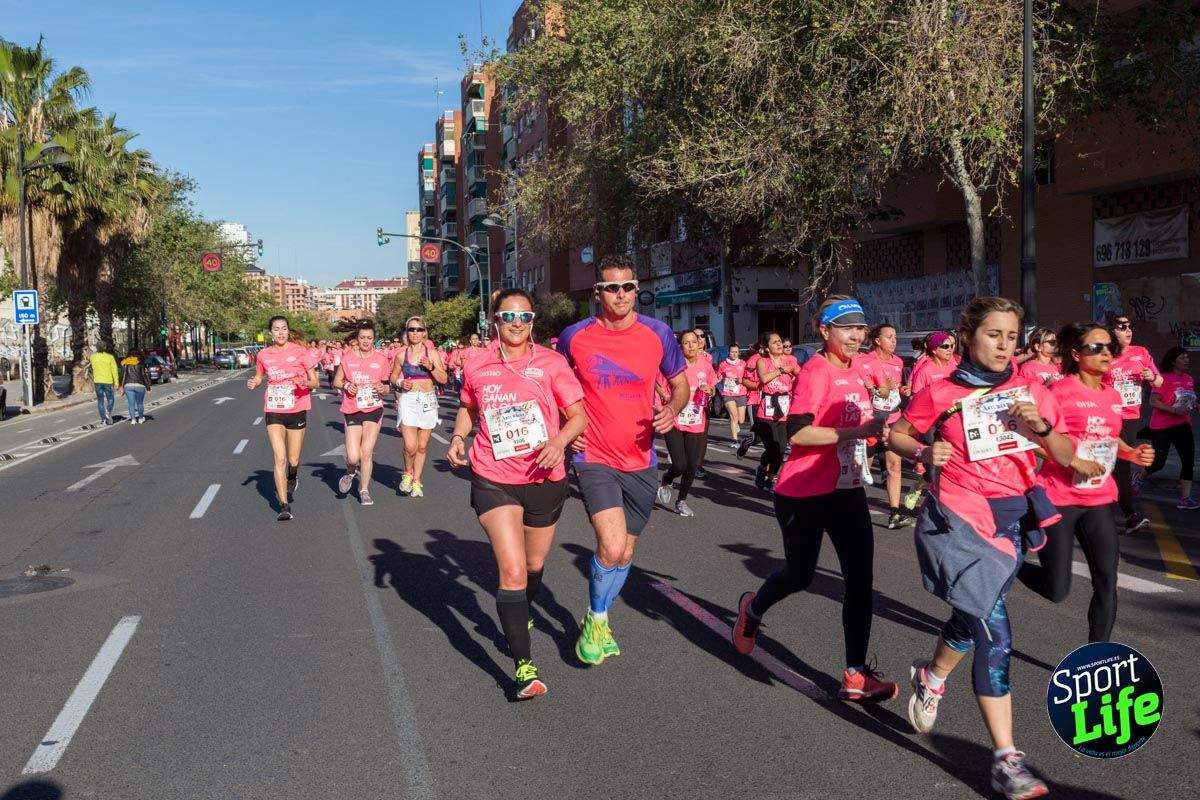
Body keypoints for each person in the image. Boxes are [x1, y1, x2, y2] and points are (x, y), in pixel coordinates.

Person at [887, 297, 1074, 800]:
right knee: (995, 634)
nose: (1004, 345)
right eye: (994, 335)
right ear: (968, 336)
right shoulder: (939, 390)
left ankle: (931, 675)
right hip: (959, 520)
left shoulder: (1031, 388)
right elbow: (897, 436)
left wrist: (1040, 425)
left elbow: (1065, 456)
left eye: (1012, 337)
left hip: (1010, 521)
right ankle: (1006, 760)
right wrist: (926, 450)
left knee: (971, 617)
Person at [730, 297, 897, 703]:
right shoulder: (815, 372)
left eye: (861, 328)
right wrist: (855, 434)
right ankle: (752, 611)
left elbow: (864, 420)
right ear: (825, 332)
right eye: (847, 328)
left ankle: (855, 674)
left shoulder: (861, 369)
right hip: (802, 492)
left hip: (847, 490)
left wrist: (879, 429)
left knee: (861, 580)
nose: (857, 336)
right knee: (800, 575)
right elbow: (800, 435)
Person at [448, 289, 587, 699]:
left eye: (524, 316)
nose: (516, 322)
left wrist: (559, 441)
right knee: (511, 570)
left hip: (545, 477)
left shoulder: (551, 362)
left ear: (533, 322)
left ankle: (518, 613)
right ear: (494, 319)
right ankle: (524, 668)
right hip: (494, 475)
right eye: (508, 315)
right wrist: (459, 436)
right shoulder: (477, 365)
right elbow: (468, 407)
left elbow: (578, 415)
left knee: (533, 563)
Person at [557, 256, 688, 666]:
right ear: (598, 292)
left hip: (642, 457)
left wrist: (674, 408)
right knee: (610, 546)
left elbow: (679, 383)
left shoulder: (658, 333)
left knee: (626, 554)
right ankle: (596, 618)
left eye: (628, 287)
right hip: (594, 455)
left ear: (637, 289)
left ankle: (600, 615)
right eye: (612, 288)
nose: (621, 295)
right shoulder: (575, 336)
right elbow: (556, 386)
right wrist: (566, 429)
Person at [1022, 323, 1155, 642]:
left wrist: (1132, 454)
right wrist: (1071, 459)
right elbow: (1035, 439)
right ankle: (1007, 563)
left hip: (1099, 498)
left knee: (1107, 581)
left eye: (1109, 346)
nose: (1106, 352)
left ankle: (1098, 657)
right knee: (1057, 591)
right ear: (1076, 354)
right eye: (1096, 347)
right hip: (1060, 498)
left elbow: (1110, 438)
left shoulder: (1111, 394)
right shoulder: (1059, 392)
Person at [246, 316, 319, 521]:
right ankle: (284, 505)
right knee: (280, 458)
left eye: (284, 329)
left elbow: (316, 383)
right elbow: (260, 376)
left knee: (293, 459)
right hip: (274, 409)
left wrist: (304, 382)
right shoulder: (263, 354)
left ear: (288, 331)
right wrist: (255, 382)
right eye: (276, 329)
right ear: (270, 333)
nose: (280, 333)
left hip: (297, 408)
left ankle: (293, 475)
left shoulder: (300, 352)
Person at [1104, 315, 1163, 531]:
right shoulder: (1105, 354)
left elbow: (1159, 381)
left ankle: (1101, 508)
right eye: (1122, 327)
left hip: (1131, 416)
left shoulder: (1141, 353)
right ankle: (1129, 515)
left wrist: (1150, 377)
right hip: (1108, 415)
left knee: (1117, 463)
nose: (1128, 330)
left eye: (1130, 326)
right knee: (1120, 463)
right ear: (1112, 331)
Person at [657, 331, 715, 517]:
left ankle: (681, 501)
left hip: (696, 419)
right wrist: (666, 395)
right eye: (686, 342)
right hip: (673, 418)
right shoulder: (673, 365)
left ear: (700, 344)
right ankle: (666, 479)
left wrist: (710, 390)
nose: (691, 345)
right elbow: (656, 383)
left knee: (692, 465)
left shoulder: (706, 365)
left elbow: (712, 386)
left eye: (693, 342)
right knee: (680, 465)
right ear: (680, 346)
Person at [332, 322, 391, 506]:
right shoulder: (347, 359)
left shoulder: (381, 359)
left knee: (366, 452)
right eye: (362, 337)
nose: (366, 341)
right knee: (353, 457)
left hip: (373, 408)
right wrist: (346, 385)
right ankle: (350, 472)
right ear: (357, 339)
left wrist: (383, 388)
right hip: (352, 408)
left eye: (369, 338)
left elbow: (387, 386)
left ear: (374, 339)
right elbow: (336, 381)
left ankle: (364, 490)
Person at [389, 316, 448, 498]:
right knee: (410, 445)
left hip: (428, 401)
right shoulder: (401, 355)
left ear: (424, 332)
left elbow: (443, 379)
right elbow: (392, 377)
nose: (415, 333)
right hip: (408, 401)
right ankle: (407, 473)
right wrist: (400, 382)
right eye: (412, 329)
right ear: (407, 332)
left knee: (422, 446)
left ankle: (417, 481)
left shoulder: (432, 354)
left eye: (419, 329)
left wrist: (431, 367)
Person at [860, 323, 909, 529]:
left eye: (895, 336)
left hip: (892, 418)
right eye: (889, 337)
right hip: (869, 421)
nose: (894, 340)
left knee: (894, 465)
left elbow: (895, 390)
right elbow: (864, 389)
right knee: (863, 469)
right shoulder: (864, 361)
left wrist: (902, 391)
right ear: (877, 340)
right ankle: (855, 511)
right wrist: (879, 390)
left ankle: (895, 512)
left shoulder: (898, 362)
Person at [903, 331, 959, 510]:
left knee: (953, 464)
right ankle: (924, 488)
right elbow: (914, 398)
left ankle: (947, 503)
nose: (950, 349)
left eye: (952, 346)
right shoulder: (926, 369)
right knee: (934, 468)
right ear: (934, 350)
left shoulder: (956, 367)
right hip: (932, 425)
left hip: (954, 422)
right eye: (945, 346)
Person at [1141, 346, 1197, 509]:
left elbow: (1186, 399)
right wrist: (1174, 410)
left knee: (1188, 460)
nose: (1187, 360)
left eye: (1187, 357)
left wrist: (1195, 405)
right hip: (1162, 427)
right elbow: (1153, 402)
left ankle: (1185, 498)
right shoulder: (1163, 379)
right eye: (1182, 358)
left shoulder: (1188, 379)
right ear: (1173, 361)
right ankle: (1139, 476)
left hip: (1182, 424)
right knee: (1158, 463)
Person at [754, 331, 800, 490]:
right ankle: (761, 469)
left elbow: (802, 377)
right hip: (766, 413)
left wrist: (795, 371)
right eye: (775, 342)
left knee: (780, 451)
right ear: (766, 347)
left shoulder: (791, 360)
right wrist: (781, 370)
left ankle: (770, 478)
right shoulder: (762, 361)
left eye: (780, 341)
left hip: (784, 411)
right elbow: (763, 379)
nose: (779, 344)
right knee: (772, 448)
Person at [736, 342, 764, 458]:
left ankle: (767, 468)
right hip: (755, 400)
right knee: (757, 438)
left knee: (772, 437)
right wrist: (761, 384)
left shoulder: (775, 360)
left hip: (770, 402)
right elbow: (745, 381)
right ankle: (745, 443)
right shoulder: (753, 360)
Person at [717, 343, 748, 441]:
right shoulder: (723, 364)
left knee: (741, 420)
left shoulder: (743, 364)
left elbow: (747, 376)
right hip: (728, 393)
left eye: (736, 352)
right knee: (734, 416)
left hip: (741, 393)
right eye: (732, 352)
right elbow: (719, 376)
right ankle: (735, 440)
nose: (734, 354)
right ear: (729, 353)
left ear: (739, 353)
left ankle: (736, 423)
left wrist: (742, 380)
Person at [89, 345, 120, 425]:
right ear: (105, 348)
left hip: (97, 381)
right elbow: (114, 370)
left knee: (100, 401)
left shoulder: (93, 357)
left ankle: (103, 419)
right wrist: (116, 382)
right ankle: (108, 411)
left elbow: (92, 367)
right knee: (110, 398)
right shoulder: (110, 357)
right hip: (108, 381)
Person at [118, 353, 150, 424]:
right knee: (140, 403)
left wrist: (120, 385)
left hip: (128, 386)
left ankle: (133, 419)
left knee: (131, 404)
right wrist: (148, 388)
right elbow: (144, 376)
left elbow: (122, 375)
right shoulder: (140, 364)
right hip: (140, 386)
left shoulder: (126, 364)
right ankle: (141, 418)